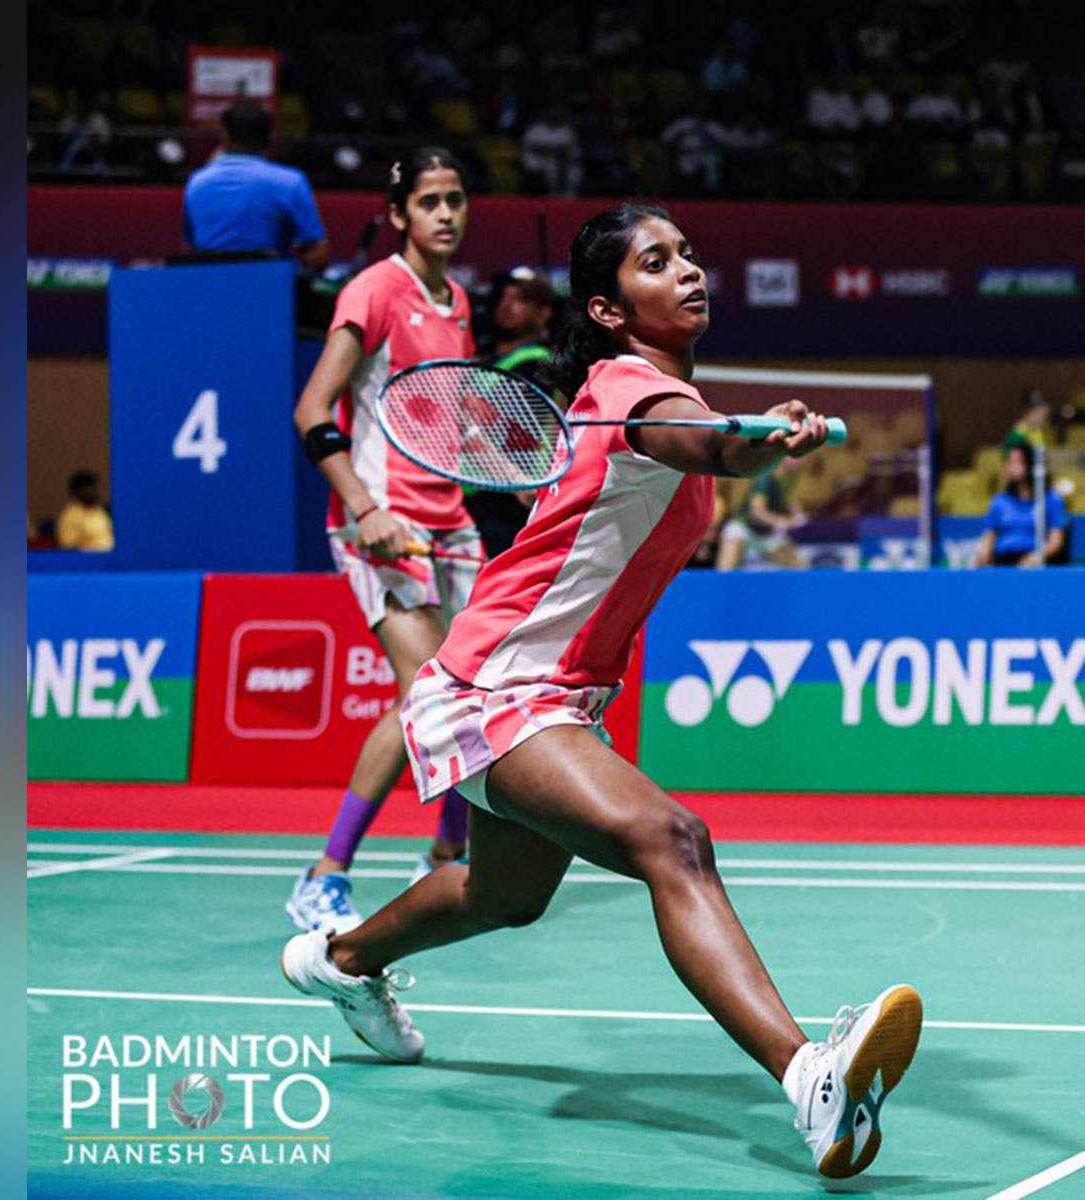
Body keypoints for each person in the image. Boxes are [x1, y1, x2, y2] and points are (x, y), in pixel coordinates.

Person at [281, 203, 923, 1180]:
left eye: (689, 256)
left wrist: (745, 436)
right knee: (673, 840)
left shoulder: (660, 394)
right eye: (656, 263)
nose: (688, 272)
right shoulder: (633, 390)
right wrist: (765, 438)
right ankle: (809, 1077)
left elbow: (696, 452)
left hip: (558, 692)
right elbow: (709, 445)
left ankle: (339, 960)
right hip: (496, 684)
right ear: (609, 311)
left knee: (503, 894)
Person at [286, 148, 488, 936]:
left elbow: (446, 416)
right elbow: (312, 410)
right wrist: (366, 508)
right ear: (399, 214)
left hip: (451, 522)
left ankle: (446, 853)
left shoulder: (459, 301)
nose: (446, 214)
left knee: (475, 688)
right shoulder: (374, 290)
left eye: (457, 200)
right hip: (382, 527)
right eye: (430, 202)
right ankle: (325, 874)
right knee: (425, 693)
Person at [463, 267, 556, 557]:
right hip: (471, 503)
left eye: (520, 299)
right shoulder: (483, 360)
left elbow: (497, 422)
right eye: (503, 297)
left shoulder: (539, 362)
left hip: (514, 503)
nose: (507, 304)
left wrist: (463, 407)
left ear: (544, 313)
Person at [181, 100, 328, 272]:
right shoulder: (291, 182)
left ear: (225, 136)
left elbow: (189, 251)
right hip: (271, 290)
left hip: (208, 290)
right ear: (271, 138)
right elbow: (317, 254)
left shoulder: (197, 182)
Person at [976, 439, 1067, 566]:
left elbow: (1055, 542)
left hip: (1034, 562)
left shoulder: (1052, 499)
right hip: (1003, 563)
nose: (1010, 467)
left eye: (1017, 462)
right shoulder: (999, 501)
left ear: (1030, 465)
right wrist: (983, 553)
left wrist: (1035, 558)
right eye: (1008, 462)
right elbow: (988, 538)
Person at [716, 455, 806, 569]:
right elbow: (757, 512)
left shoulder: (789, 478)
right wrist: (783, 522)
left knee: (800, 568)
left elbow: (780, 502)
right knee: (724, 572)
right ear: (783, 458)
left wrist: (793, 511)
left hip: (768, 533)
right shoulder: (767, 477)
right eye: (796, 456)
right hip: (743, 528)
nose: (801, 460)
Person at [55, 469, 114, 551]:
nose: (92, 492)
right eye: (88, 488)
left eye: (94, 488)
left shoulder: (99, 511)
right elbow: (68, 547)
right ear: (76, 492)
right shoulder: (70, 516)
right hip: (89, 560)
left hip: (111, 558)